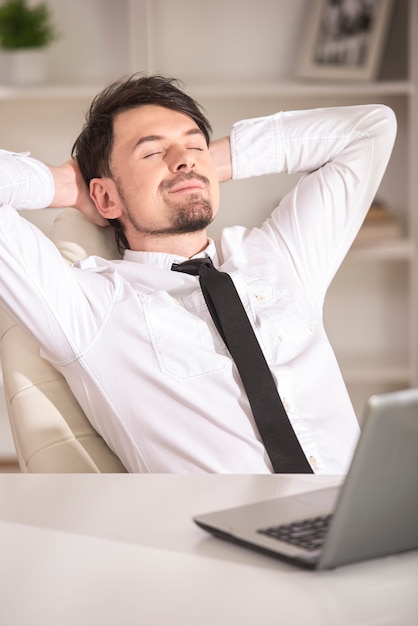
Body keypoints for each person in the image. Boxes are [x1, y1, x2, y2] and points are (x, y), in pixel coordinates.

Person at [0, 74, 396, 473]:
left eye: (194, 144)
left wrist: (207, 165)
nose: (184, 159)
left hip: (360, 517)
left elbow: (369, 130)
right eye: (152, 153)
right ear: (105, 196)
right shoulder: (90, 307)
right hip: (226, 530)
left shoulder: (278, 256)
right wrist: (64, 186)